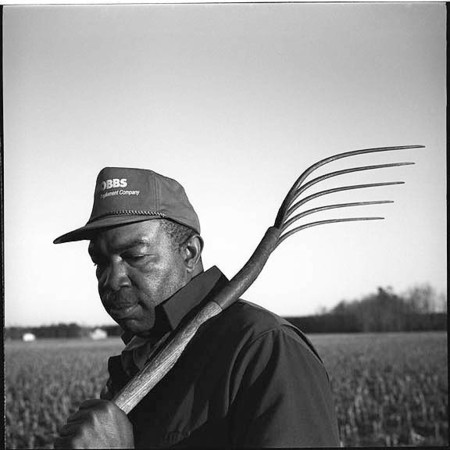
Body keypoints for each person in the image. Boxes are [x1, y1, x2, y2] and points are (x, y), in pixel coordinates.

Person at [53, 167, 340, 448]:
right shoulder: (135, 360)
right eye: (100, 262)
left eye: (135, 255)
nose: (112, 279)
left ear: (189, 253)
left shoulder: (263, 349)